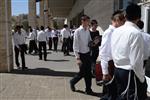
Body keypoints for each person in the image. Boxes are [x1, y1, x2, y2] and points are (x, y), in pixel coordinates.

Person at [107, 3, 147, 100]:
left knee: (120, 95)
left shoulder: (116, 31)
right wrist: (142, 78)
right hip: (129, 73)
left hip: (117, 70)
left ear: (125, 16)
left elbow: (113, 50)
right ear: (139, 18)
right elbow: (136, 61)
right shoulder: (136, 33)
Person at [99, 10, 125, 100]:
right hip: (109, 65)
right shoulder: (109, 32)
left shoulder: (118, 31)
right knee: (109, 93)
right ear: (117, 20)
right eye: (123, 22)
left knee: (112, 92)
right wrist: (105, 72)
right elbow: (103, 53)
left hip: (114, 65)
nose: (124, 24)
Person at [70, 15, 93, 94]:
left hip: (87, 54)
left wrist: (93, 43)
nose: (89, 23)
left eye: (89, 21)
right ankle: (72, 82)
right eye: (87, 21)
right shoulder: (78, 31)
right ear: (83, 21)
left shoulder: (87, 30)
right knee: (82, 73)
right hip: (81, 55)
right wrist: (77, 58)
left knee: (89, 73)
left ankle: (88, 89)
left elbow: (90, 41)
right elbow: (75, 45)